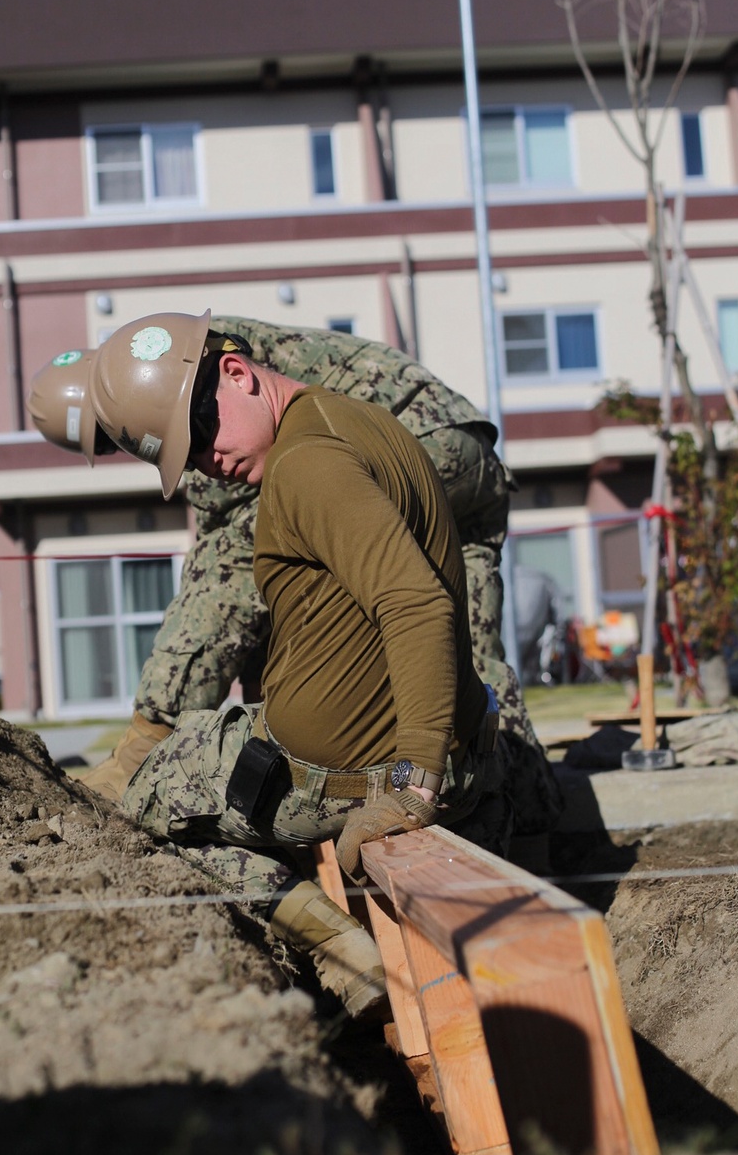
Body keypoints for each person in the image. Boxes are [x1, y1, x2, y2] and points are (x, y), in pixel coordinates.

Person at [79, 309, 510, 1017]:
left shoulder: (306, 465)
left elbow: (417, 605)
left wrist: (410, 785)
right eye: (189, 458)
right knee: (202, 753)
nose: (209, 461)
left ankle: (344, 957)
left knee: (146, 804)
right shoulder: (360, 424)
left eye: (205, 433)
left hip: (346, 779)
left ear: (239, 374)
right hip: (408, 754)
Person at [27, 316, 559, 856]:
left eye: (111, 434)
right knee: (467, 658)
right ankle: (531, 815)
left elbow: (222, 581)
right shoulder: (193, 383)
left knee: (252, 563)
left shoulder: (180, 374)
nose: (197, 460)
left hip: (407, 436)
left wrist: (154, 730)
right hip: (457, 443)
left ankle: (151, 745)